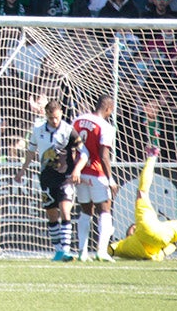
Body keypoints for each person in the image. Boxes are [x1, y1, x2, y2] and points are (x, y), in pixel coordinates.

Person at [14, 99, 89, 261]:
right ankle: (58, 251)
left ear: (61, 113)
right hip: (47, 178)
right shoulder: (37, 130)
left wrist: (77, 169)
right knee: (51, 214)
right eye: (51, 118)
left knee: (65, 210)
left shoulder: (69, 130)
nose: (54, 121)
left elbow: (84, 153)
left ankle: (67, 250)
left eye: (56, 117)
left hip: (65, 178)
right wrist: (22, 171)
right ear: (46, 115)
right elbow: (31, 152)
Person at [108, 149, 177, 261]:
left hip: (162, 238)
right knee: (142, 192)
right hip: (149, 230)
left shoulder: (125, 247)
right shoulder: (135, 235)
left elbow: (171, 247)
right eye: (133, 227)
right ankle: (152, 156)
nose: (133, 226)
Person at [73, 95, 118, 262]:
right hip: (97, 172)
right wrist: (111, 179)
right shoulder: (106, 127)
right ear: (107, 109)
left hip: (80, 172)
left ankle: (82, 252)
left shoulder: (78, 120)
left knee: (85, 211)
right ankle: (101, 251)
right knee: (105, 210)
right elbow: (104, 156)